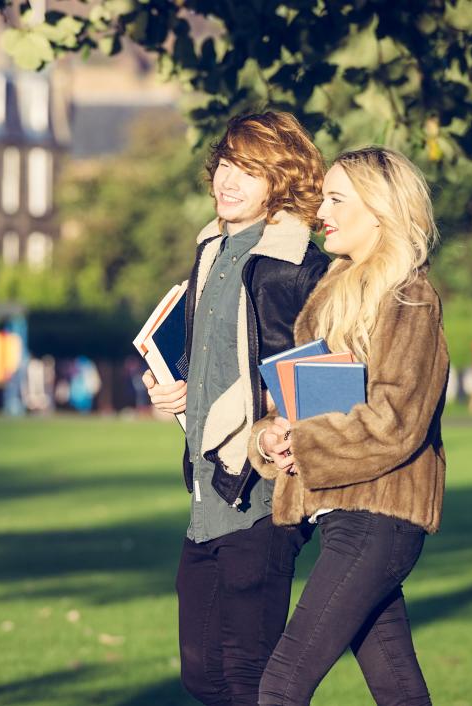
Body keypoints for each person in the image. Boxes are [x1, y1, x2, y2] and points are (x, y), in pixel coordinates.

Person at [142, 111, 330, 705]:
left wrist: (281, 433)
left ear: (282, 180)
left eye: (250, 170)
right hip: (205, 492)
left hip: (262, 496)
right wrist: (176, 390)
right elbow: (216, 365)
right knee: (203, 676)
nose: (228, 179)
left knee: (248, 678)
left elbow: (328, 387)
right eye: (227, 163)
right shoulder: (211, 252)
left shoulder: (299, 265)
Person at [251, 147, 449, 705]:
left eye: (337, 198)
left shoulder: (409, 298)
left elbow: (395, 421)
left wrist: (305, 442)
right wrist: (271, 435)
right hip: (343, 518)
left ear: (381, 211)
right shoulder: (333, 294)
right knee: (399, 691)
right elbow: (307, 402)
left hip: (379, 521)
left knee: (282, 685)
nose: (321, 211)